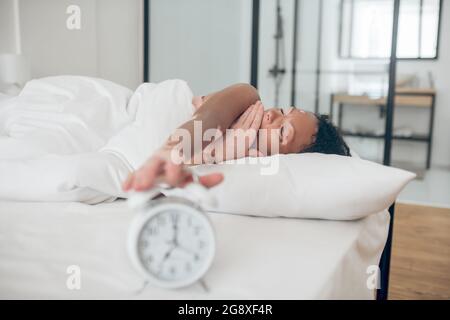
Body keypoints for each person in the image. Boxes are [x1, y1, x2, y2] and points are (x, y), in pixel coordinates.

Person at [123, 83, 350, 193]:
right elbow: (208, 117)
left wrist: (216, 154)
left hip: (130, 154)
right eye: (281, 111)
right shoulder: (248, 97)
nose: (271, 114)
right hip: (128, 110)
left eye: (282, 132)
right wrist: (173, 150)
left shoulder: (250, 166)